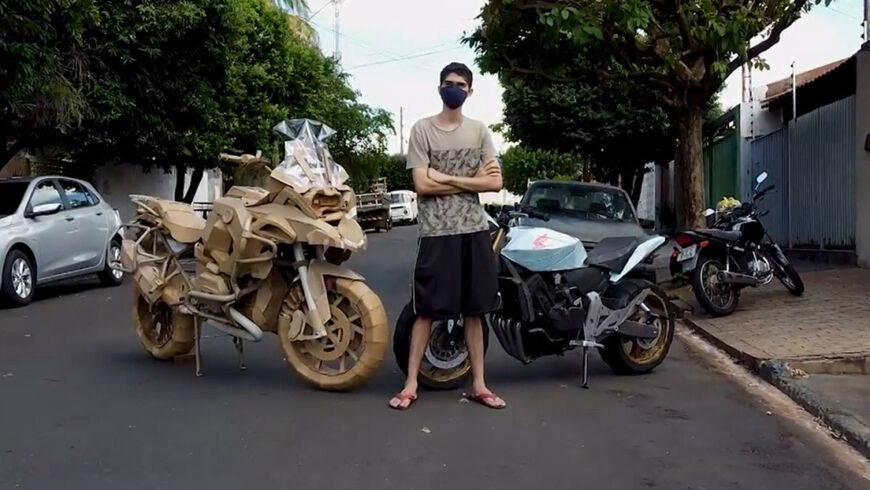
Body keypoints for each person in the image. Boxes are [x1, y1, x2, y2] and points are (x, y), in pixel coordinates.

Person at [388, 62, 505, 410]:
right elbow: (421, 184)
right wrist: (468, 180)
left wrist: (444, 177)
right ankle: (410, 384)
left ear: (470, 91)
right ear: (439, 87)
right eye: (448, 83)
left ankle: (479, 385)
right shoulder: (422, 130)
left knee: (474, 310)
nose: (454, 88)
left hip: (474, 229)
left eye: (461, 84)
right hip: (437, 232)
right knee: (425, 309)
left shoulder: (480, 131)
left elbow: (495, 183)